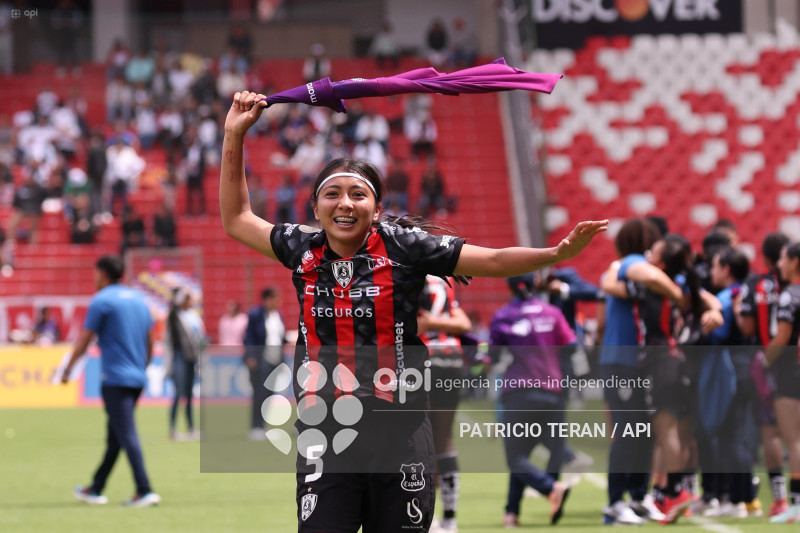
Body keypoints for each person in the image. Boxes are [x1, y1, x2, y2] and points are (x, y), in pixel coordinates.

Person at [220, 90, 607, 532]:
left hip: (398, 430)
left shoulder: (404, 247)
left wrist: (555, 253)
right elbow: (236, 219)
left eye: (357, 194)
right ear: (315, 208)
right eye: (332, 194)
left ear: (377, 208)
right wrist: (234, 134)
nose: (345, 203)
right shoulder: (300, 248)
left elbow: (496, 262)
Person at [61, 255, 160, 507]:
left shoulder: (102, 300)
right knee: (115, 436)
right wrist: (143, 367)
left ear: (103, 274)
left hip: (115, 377)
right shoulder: (139, 299)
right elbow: (150, 340)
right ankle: (95, 488)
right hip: (136, 377)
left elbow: (84, 339)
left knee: (125, 433)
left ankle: (144, 489)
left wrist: (67, 369)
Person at [489, 273, 576, 527]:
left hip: (520, 392)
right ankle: (511, 514)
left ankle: (550, 489)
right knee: (551, 451)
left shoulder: (504, 315)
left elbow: (493, 355)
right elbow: (571, 344)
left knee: (516, 456)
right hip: (552, 391)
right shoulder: (552, 313)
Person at [736, 231, 791, 517]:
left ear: (767, 257)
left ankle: (780, 498)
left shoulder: (756, 285)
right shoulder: (794, 286)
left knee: (771, 432)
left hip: (768, 362)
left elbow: (746, 329)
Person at [418, 275, 472, 533]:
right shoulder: (444, 278)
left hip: (423, 358)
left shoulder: (405, 266)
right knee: (444, 440)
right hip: (451, 359)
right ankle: (450, 518)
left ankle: (422, 516)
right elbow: (463, 322)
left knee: (418, 440)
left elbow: (412, 323)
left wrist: (428, 323)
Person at [764, 241, 800, 523]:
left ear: (795, 262)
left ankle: (797, 502)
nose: (780, 265)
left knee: (795, 440)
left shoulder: (790, 296)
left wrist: (764, 360)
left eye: (784, 260)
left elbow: (783, 338)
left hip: (791, 372)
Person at [243, 287, 286, 441]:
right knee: (259, 393)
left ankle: (263, 426)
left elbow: (280, 338)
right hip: (261, 360)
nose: (277, 301)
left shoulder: (278, 315)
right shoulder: (256, 314)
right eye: (274, 298)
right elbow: (249, 337)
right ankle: (255, 426)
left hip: (275, 360)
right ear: (267, 299)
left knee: (269, 394)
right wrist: (250, 356)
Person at [164, 288, 205, 441]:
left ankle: (191, 427)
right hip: (179, 356)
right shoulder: (174, 317)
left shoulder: (193, 316)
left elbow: (199, 336)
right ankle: (173, 429)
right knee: (178, 393)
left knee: (189, 394)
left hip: (191, 358)